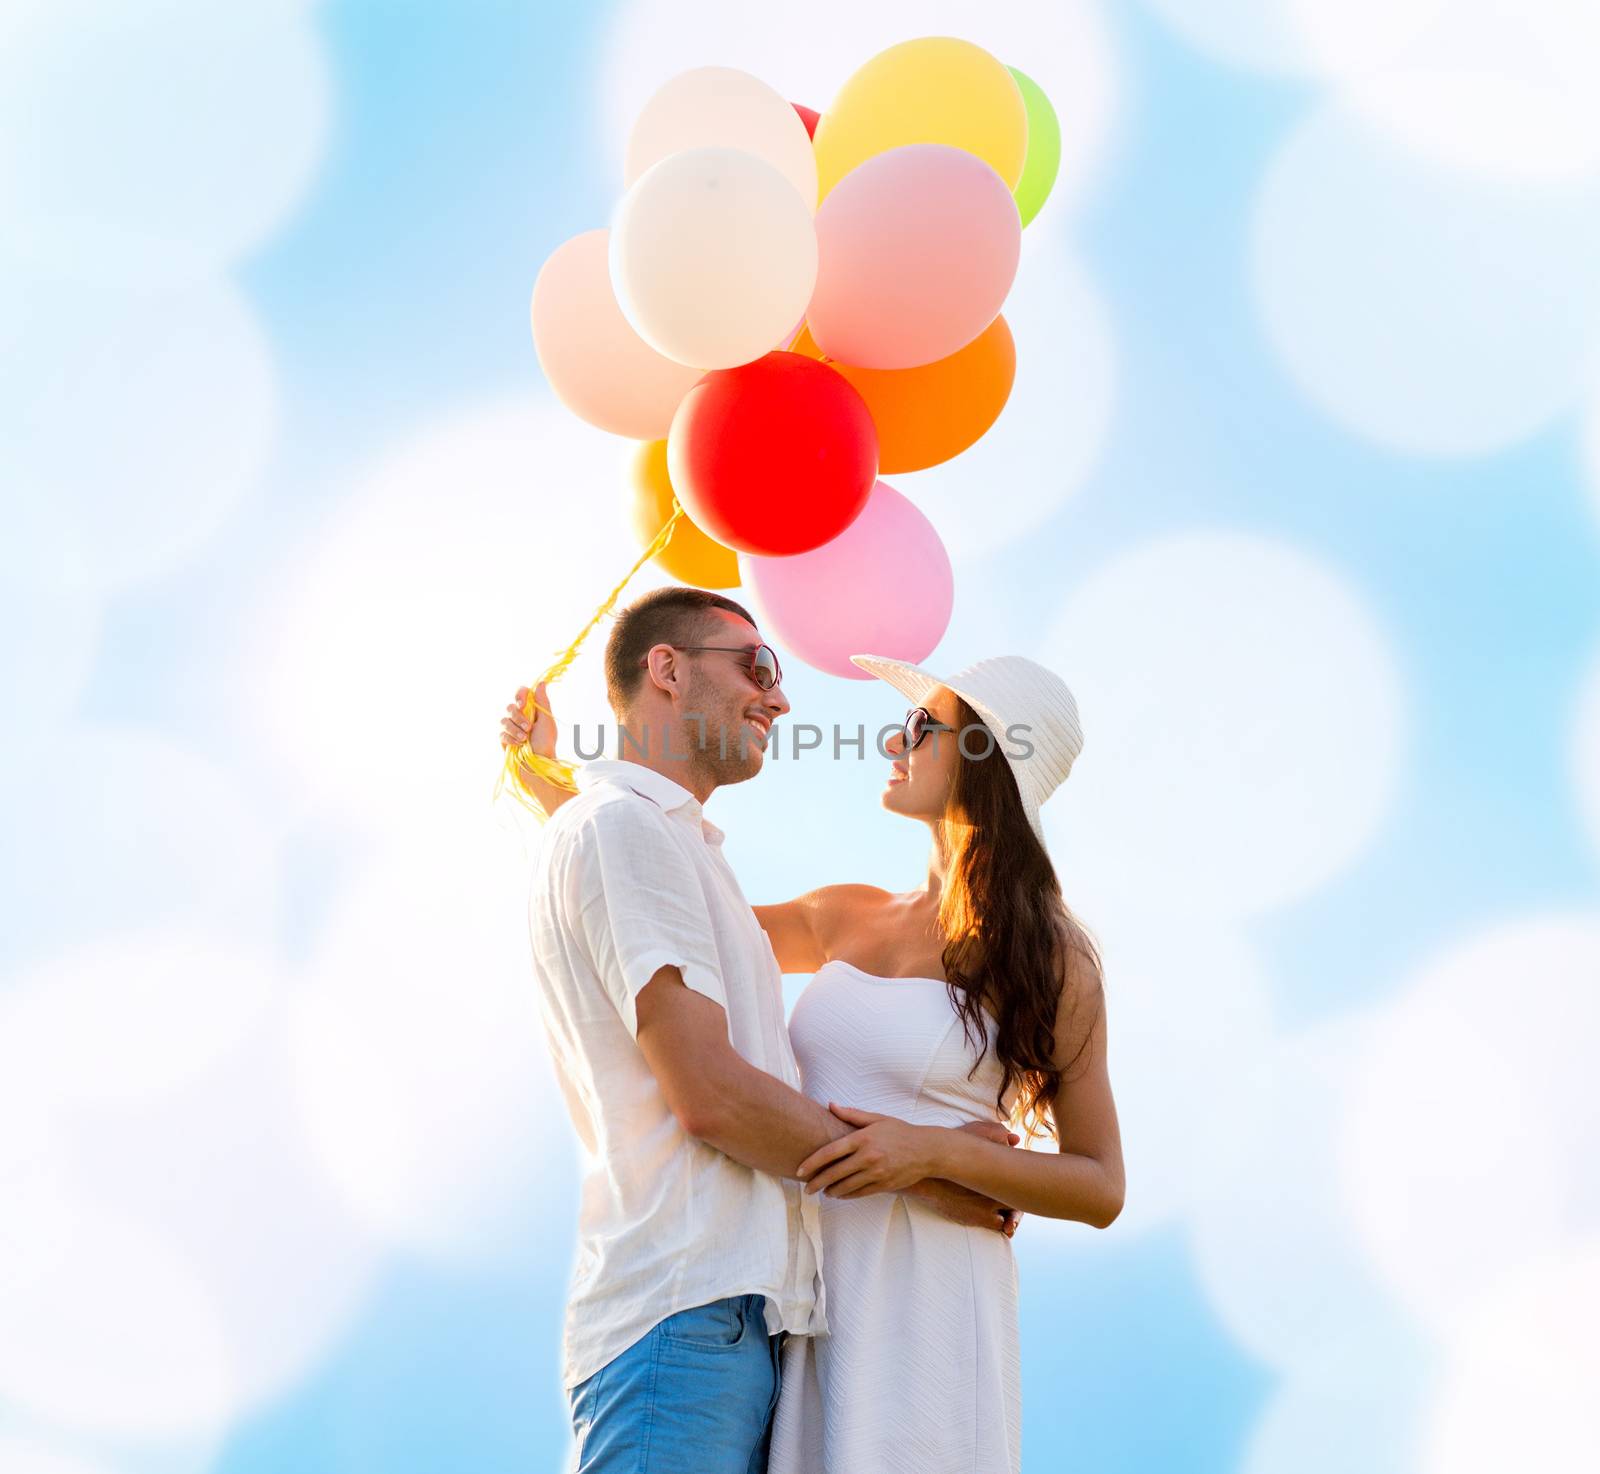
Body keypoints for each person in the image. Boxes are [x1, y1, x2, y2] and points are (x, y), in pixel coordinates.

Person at [509, 586, 1024, 1474]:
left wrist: (548, 789)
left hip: (731, 1327)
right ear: (665, 670)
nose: (780, 698)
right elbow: (710, 1095)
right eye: (757, 667)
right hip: (682, 1321)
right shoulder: (623, 826)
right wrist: (929, 1172)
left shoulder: (660, 846)